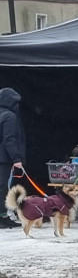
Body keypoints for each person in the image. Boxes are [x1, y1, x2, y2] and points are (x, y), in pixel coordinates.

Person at [0, 86, 26, 229]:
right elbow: (9, 139)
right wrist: (16, 159)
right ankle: (3, 217)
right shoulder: (10, 116)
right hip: (4, 158)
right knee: (3, 187)